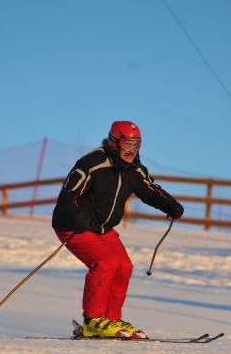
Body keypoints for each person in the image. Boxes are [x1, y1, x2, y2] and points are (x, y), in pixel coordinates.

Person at [52, 120, 184, 339]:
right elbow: (69, 195)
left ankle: (110, 320)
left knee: (124, 266)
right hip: (73, 226)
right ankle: (94, 320)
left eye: (136, 145)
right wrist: (79, 222)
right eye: (127, 145)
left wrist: (171, 205)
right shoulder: (93, 163)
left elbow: (150, 191)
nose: (132, 151)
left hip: (103, 230)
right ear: (114, 143)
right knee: (106, 263)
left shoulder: (135, 170)